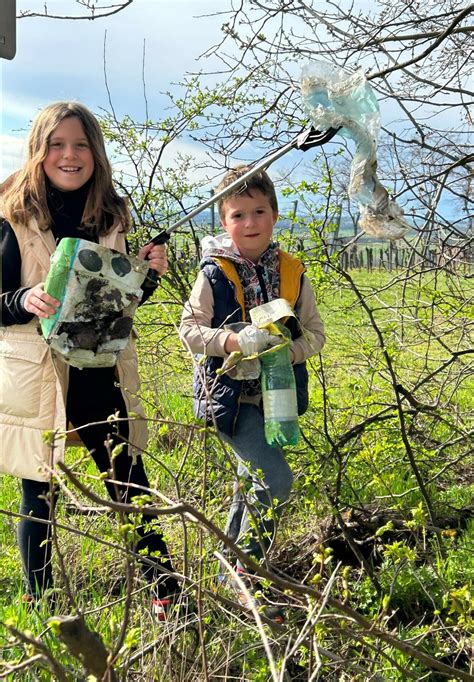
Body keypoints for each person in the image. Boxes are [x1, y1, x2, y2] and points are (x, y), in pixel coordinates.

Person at [0, 101, 180, 618]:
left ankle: (166, 593)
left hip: (100, 366)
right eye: (57, 144)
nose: (69, 155)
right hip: (38, 371)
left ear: (95, 154)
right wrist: (23, 301)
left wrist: (145, 276)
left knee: (128, 477)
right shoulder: (11, 215)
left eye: (80, 145)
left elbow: (114, 303)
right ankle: (42, 607)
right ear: (39, 150)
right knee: (39, 487)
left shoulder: (110, 214)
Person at [179, 166, 325, 620]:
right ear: (224, 222)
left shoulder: (293, 272)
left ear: (275, 214)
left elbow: (316, 333)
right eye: (238, 214)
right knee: (275, 481)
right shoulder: (214, 273)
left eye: (259, 211)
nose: (250, 223)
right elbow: (188, 330)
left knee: (251, 485)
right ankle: (248, 576)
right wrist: (232, 341)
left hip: (277, 400)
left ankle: (228, 570)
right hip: (230, 402)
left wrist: (290, 351)